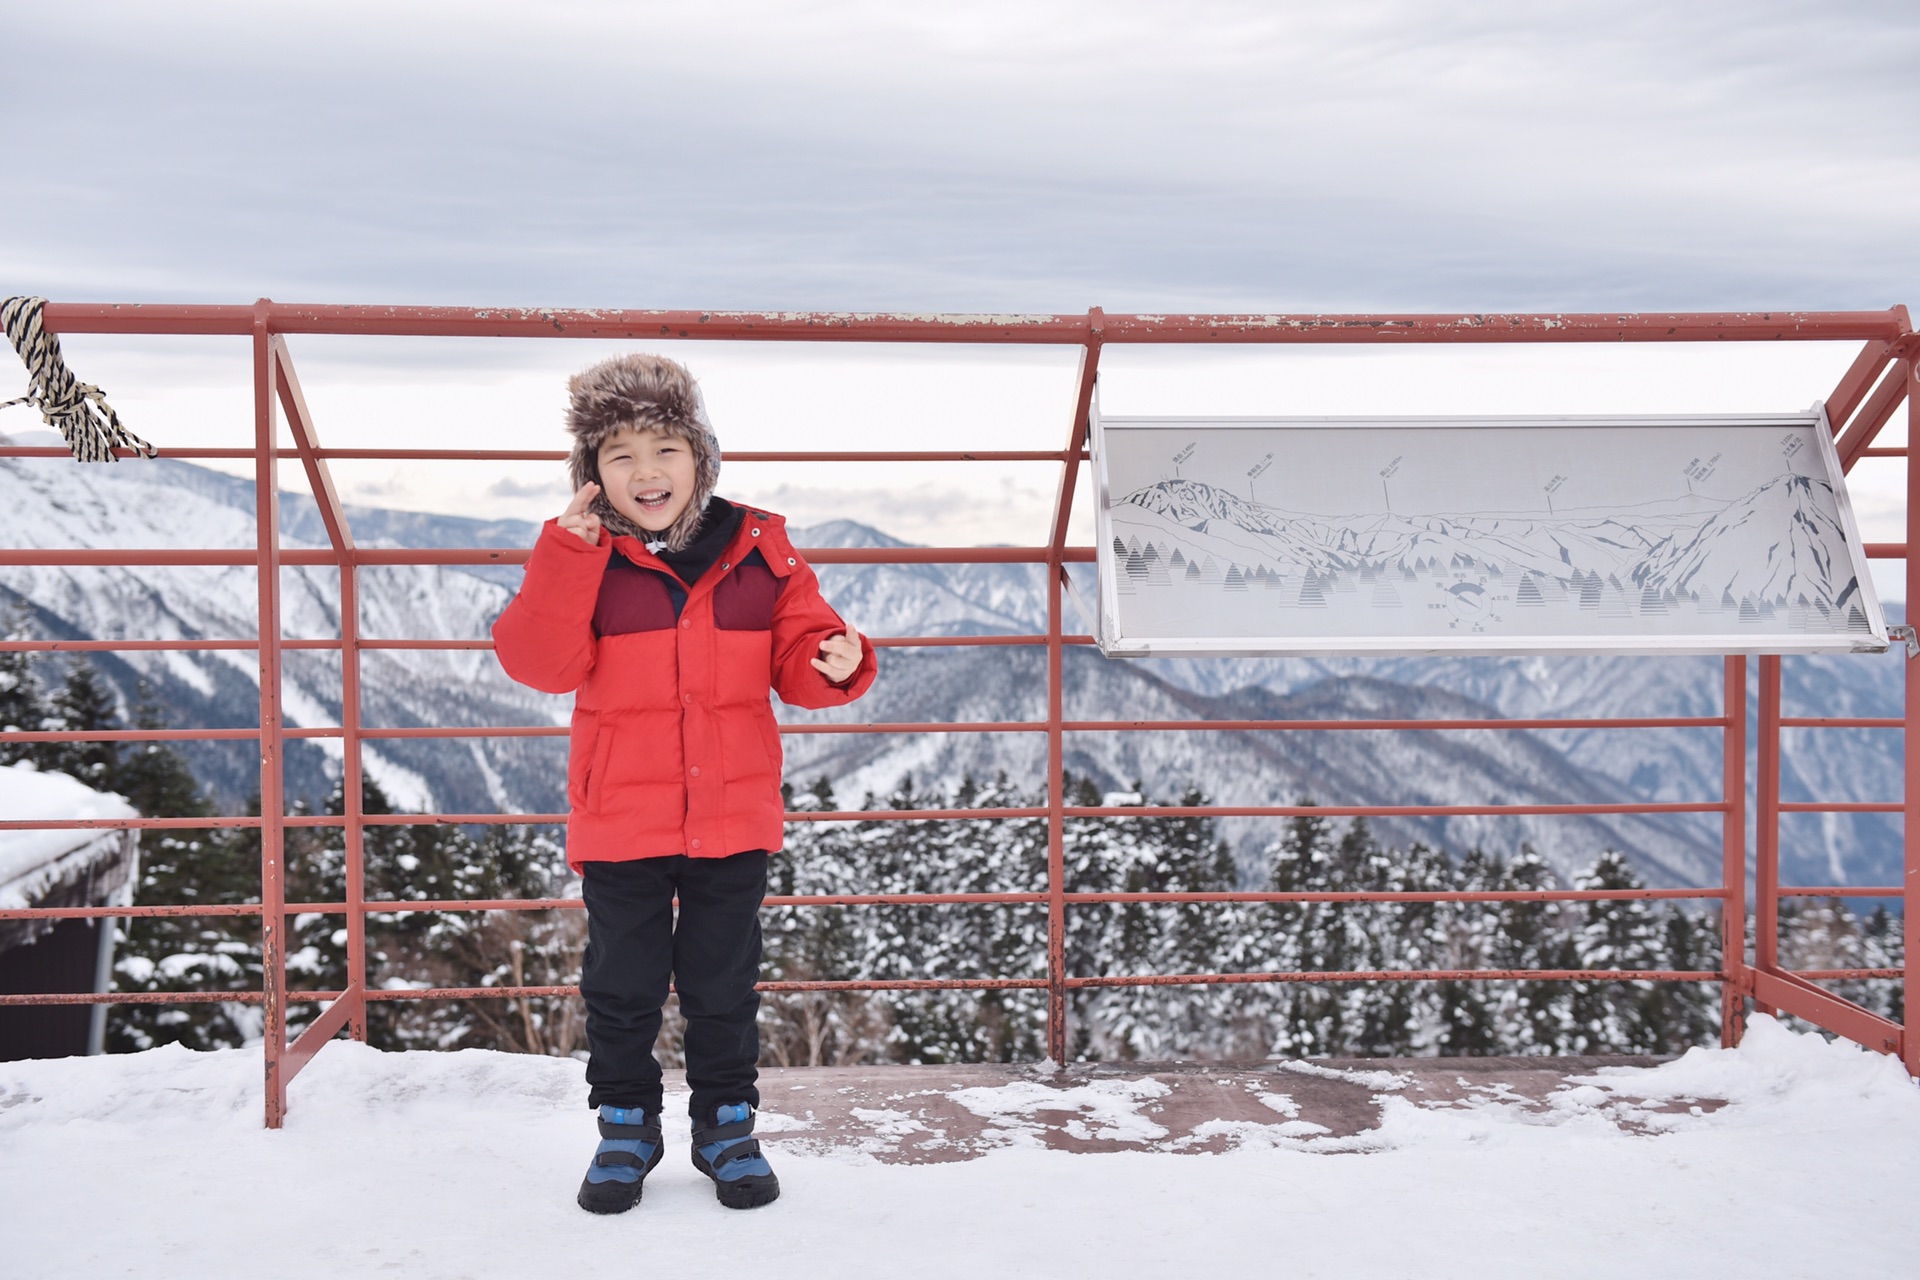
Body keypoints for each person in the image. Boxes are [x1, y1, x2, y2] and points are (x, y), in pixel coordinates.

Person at [491, 353, 876, 1214]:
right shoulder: (584, 558)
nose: (645, 471)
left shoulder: (756, 547)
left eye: (664, 447)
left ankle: (726, 1124)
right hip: (621, 816)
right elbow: (540, 663)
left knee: (722, 983)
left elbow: (800, 657)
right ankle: (626, 1124)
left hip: (733, 813)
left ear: (701, 457)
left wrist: (840, 661)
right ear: (591, 474)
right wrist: (564, 558)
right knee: (621, 985)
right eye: (619, 454)